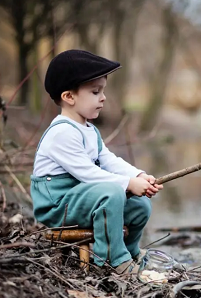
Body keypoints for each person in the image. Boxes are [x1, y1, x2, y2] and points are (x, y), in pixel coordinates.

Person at [30, 49, 163, 274]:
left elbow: (108, 160)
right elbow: (88, 174)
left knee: (140, 205)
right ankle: (113, 259)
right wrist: (128, 184)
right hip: (58, 205)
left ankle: (130, 253)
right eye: (95, 92)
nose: (103, 97)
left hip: (81, 198)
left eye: (103, 91)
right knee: (112, 193)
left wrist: (138, 176)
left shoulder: (89, 130)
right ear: (69, 97)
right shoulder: (62, 132)